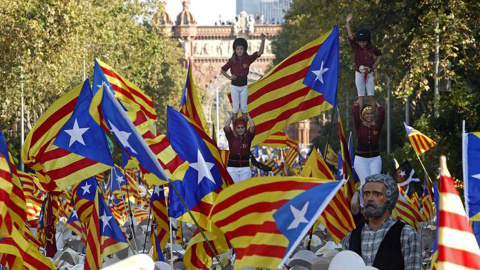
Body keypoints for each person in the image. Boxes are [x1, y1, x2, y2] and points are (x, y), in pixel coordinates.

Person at [341, 174, 421, 270]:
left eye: (377, 194)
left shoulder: (406, 234)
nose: (370, 198)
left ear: (389, 199)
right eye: (366, 193)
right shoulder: (351, 234)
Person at [221, 34, 266, 121]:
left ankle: (244, 127)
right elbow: (223, 70)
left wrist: (263, 41)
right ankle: (235, 126)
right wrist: (229, 77)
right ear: (235, 50)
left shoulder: (248, 59)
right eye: (237, 49)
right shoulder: (232, 60)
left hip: (244, 86)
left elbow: (259, 53)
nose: (239, 51)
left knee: (244, 108)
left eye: (241, 49)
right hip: (234, 86)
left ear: (244, 49)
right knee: (235, 108)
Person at [346, 13, 383, 112]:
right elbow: (350, 36)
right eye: (360, 42)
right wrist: (347, 23)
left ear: (368, 41)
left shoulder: (372, 48)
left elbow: (380, 54)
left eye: (364, 42)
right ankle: (361, 117)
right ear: (358, 42)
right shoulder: (356, 47)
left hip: (369, 74)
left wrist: (375, 64)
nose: (362, 44)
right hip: (359, 73)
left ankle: (373, 116)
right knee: (361, 96)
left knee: (371, 96)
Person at [353, 100, 385, 185]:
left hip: (375, 158)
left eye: (371, 113)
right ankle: (361, 197)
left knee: (375, 183)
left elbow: (382, 111)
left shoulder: (377, 125)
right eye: (367, 114)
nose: (369, 116)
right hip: (361, 159)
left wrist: (374, 101)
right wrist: (358, 101)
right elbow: (355, 112)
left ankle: (372, 199)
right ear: (363, 115)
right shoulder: (359, 126)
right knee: (365, 183)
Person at [224, 112, 255, 183]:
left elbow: (252, 126)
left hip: (245, 169)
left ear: (245, 129)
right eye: (238, 127)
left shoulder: (248, 137)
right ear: (235, 129)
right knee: (234, 188)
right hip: (232, 169)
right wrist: (231, 117)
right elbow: (227, 127)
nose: (240, 129)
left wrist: (248, 117)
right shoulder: (231, 137)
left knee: (244, 189)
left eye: (242, 127)